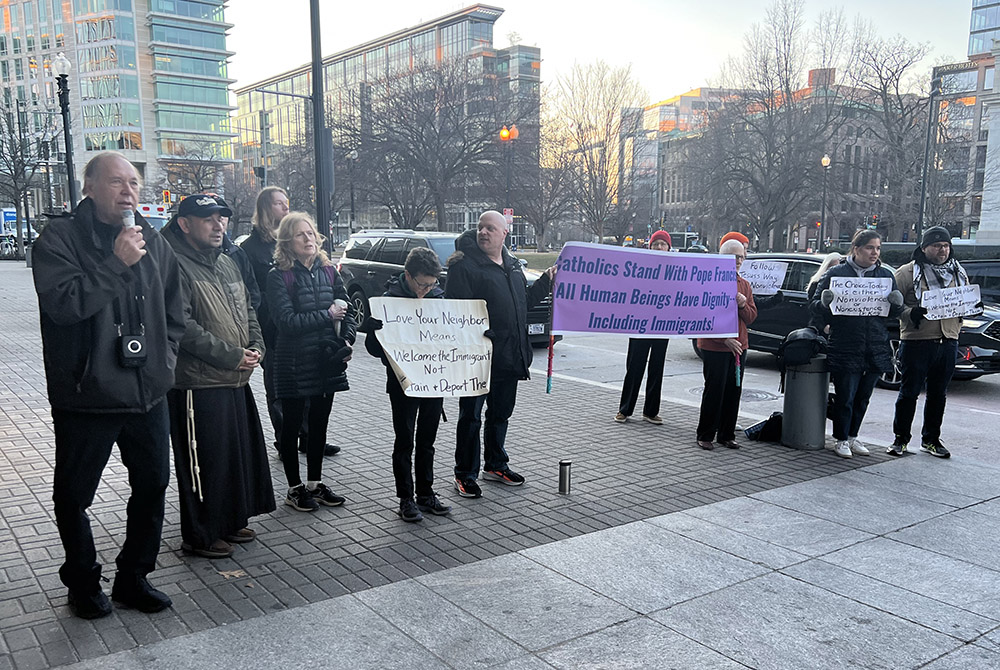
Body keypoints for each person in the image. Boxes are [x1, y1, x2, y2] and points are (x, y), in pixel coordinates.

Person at [32, 152, 184, 618]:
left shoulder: (153, 242)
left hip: (146, 393)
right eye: (116, 182)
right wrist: (116, 264)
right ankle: (82, 581)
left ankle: (133, 577)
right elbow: (64, 305)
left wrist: (164, 363)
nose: (128, 191)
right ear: (89, 188)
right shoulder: (58, 239)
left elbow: (176, 312)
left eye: (134, 183)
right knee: (74, 496)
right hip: (87, 395)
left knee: (153, 485)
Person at [162, 195, 275, 558]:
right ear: (184, 223)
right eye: (207, 219)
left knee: (233, 456)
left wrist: (256, 344)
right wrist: (232, 356)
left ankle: (228, 520)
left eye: (222, 218)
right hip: (197, 383)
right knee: (203, 462)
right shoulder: (173, 264)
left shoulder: (228, 263)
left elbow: (248, 310)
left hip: (233, 378)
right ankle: (201, 534)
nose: (218, 225)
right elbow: (181, 326)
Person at [446, 210, 555, 498]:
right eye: (481, 227)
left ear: (505, 233)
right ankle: (465, 473)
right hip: (477, 359)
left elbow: (524, 303)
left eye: (490, 228)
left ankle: (495, 465)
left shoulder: (513, 266)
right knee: (470, 416)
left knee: (500, 414)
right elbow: (454, 314)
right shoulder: (465, 267)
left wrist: (546, 280)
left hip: (508, 357)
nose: (483, 232)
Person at [266, 212, 355, 512]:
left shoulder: (329, 271)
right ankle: (294, 488)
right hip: (293, 362)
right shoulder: (278, 275)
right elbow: (286, 321)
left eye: (311, 233)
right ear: (287, 242)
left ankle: (315, 485)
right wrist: (327, 316)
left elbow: (349, 310)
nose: (308, 239)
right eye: (301, 235)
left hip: (325, 361)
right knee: (291, 428)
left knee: (319, 425)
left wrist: (347, 340)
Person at [241, 187, 340, 457]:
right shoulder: (250, 248)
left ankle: (309, 438)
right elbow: (248, 290)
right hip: (273, 327)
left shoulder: (311, 255)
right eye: (278, 204)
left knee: (310, 387)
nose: (285, 208)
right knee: (279, 389)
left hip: (307, 326)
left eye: (287, 203)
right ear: (264, 209)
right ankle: (285, 439)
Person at [362, 247, 453, 522]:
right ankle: (405, 498)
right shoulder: (389, 301)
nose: (426, 289)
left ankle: (426, 493)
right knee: (404, 441)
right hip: (402, 383)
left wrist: (478, 335)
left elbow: (452, 336)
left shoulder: (438, 297)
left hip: (433, 380)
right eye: (422, 283)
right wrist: (372, 331)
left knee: (427, 441)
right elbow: (375, 351)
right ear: (408, 276)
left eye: (432, 283)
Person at [811, 230, 904, 459]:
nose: (875, 253)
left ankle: (853, 435)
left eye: (878, 248)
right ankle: (840, 438)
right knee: (846, 395)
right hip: (846, 343)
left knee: (864, 396)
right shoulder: (837, 273)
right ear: (856, 249)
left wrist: (897, 304)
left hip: (875, 344)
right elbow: (814, 305)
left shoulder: (884, 275)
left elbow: (891, 312)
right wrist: (825, 303)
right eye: (870, 248)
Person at [888, 226, 972, 459]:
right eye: (937, 246)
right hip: (917, 341)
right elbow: (890, 305)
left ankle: (931, 439)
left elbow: (966, 299)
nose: (942, 250)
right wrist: (910, 313)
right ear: (924, 248)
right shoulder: (907, 273)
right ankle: (900, 439)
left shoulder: (958, 272)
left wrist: (972, 308)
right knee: (909, 392)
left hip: (948, 341)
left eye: (946, 246)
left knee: (938, 394)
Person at [696, 239, 757, 450]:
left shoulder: (744, 285)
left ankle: (726, 434)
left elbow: (751, 317)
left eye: (741, 256)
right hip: (715, 347)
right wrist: (724, 339)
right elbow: (702, 318)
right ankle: (705, 434)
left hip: (740, 347)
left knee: (734, 391)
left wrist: (742, 305)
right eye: (733, 256)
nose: (738, 260)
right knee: (714, 391)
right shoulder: (709, 282)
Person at [615, 230, 671, 425]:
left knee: (657, 369)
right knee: (634, 367)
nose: (659, 248)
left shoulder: (676, 270)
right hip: (639, 325)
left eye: (663, 244)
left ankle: (651, 411)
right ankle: (625, 409)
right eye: (656, 244)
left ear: (669, 248)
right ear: (649, 246)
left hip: (663, 326)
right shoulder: (640, 267)